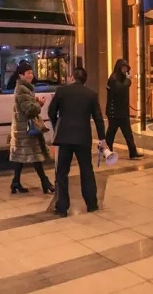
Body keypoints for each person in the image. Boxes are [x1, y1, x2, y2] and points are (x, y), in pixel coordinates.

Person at [48, 67, 106, 217]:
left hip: (64, 137)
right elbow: (98, 118)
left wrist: (57, 127)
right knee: (86, 170)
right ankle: (91, 204)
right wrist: (102, 138)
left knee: (62, 172)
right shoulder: (91, 94)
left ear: (72, 77)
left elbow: (51, 112)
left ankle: (62, 207)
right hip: (83, 137)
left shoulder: (62, 92)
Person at [9, 62, 55, 194]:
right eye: (28, 73)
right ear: (21, 75)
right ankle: (45, 182)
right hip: (26, 129)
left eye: (31, 72)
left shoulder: (25, 88)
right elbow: (29, 110)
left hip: (23, 128)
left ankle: (16, 182)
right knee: (35, 155)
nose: (31, 75)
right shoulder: (22, 89)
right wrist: (39, 104)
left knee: (22, 157)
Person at [105, 59, 143, 159]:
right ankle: (107, 151)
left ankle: (133, 152)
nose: (125, 70)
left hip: (122, 111)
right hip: (114, 111)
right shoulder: (113, 78)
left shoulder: (121, 78)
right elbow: (119, 90)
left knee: (127, 133)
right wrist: (128, 80)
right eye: (123, 67)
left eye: (126, 68)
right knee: (111, 133)